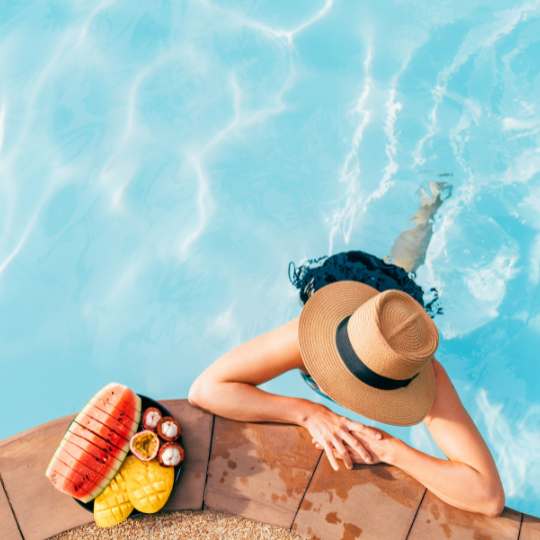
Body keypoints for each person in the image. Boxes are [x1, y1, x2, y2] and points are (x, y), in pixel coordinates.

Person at [188, 182, 505, 517]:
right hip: (341, 290)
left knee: (402, 268)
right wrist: (308, 413)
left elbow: (488, 496)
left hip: (390, 305)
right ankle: (424, 212)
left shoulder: (420, 369)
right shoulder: (305, 336)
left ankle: (426, 213)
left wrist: (393, 450)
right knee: (398, 264)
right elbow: (206, 389)